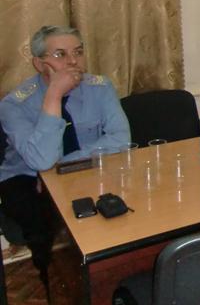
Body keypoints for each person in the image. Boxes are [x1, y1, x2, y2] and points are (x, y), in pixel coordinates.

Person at [0, 25, 130, 293]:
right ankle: (55, 286)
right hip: (26, 176)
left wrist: (66, 163)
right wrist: (54, 94)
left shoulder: (100, 87)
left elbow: (121, 139)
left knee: (124, 207)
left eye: (78, 52)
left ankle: (117, 276)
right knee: (44, 228)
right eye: (60, 54)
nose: (73, 61)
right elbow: (41, 161)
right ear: (39, 64)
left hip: (84, 166)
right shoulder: (14, 104)